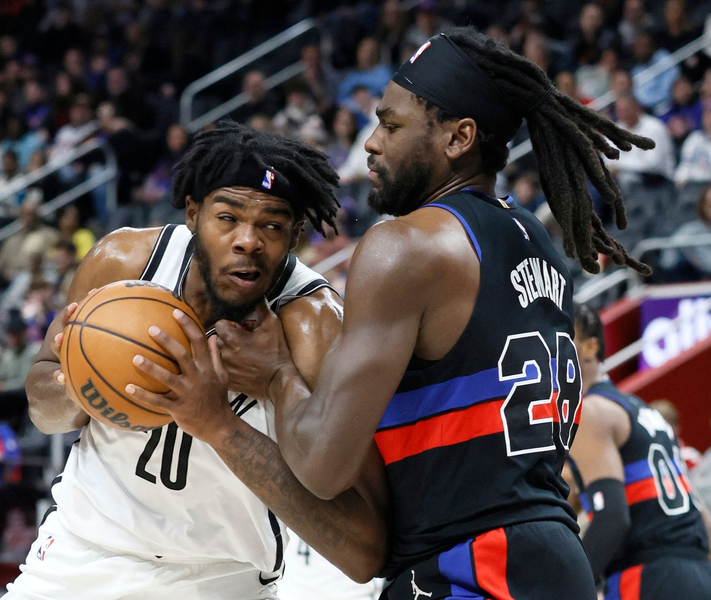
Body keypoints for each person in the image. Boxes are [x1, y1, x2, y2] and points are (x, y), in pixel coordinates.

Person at [210, 27, 657, 599]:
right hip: (553, 559)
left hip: (472, 566)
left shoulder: (407, 246)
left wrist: (274, 377)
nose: (371, 143)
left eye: (392, 126)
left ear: (458, 138)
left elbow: (323, 465)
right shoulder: (537, 241)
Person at [5, 123, 388, 600]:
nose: (247, 240)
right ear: (193, 213)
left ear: (294, 236)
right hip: (78, 555)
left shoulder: (313, 328)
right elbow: (43, 409)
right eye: (227, 218)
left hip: (221, 578)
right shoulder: (123, 263)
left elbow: (363, 550)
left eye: (271, 224)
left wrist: (221, 422)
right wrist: (84, 386)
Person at [567, 304, 711, 598]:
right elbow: (701, 515)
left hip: (647, 574)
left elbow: (612, 518)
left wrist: (565, 588)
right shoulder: (644, 411)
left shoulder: (591, 411)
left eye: (562, 338)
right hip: (696, 570)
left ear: (590, 347)